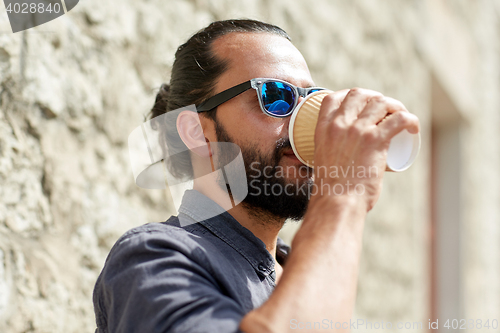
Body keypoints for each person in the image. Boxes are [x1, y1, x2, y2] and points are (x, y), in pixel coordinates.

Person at [92, 19, 419, 333]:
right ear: (196, 132)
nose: (302, 122)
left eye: (310, 100)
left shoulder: (299, 270)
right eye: (277, 97)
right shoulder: (153, 258)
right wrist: (344, 193)